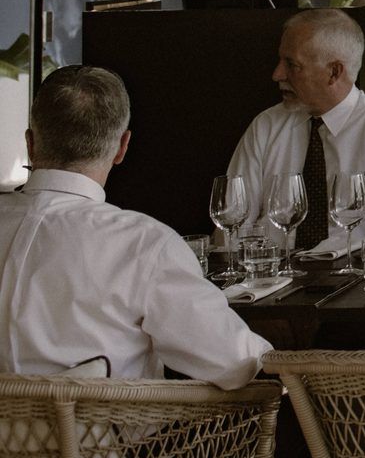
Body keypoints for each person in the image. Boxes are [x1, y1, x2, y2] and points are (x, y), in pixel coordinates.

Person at [0, 67, 269, 385]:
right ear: (121, 147)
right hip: (105, 434)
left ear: (30, 143)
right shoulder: (144, 245)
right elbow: (234, 364)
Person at [228, 8, 365, 247]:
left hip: (354, 275)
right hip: (272, 275)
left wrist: (351, 260)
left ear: (333, 72)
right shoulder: (266, 127)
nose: (277, 74)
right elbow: (231, 224)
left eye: (292, 64)